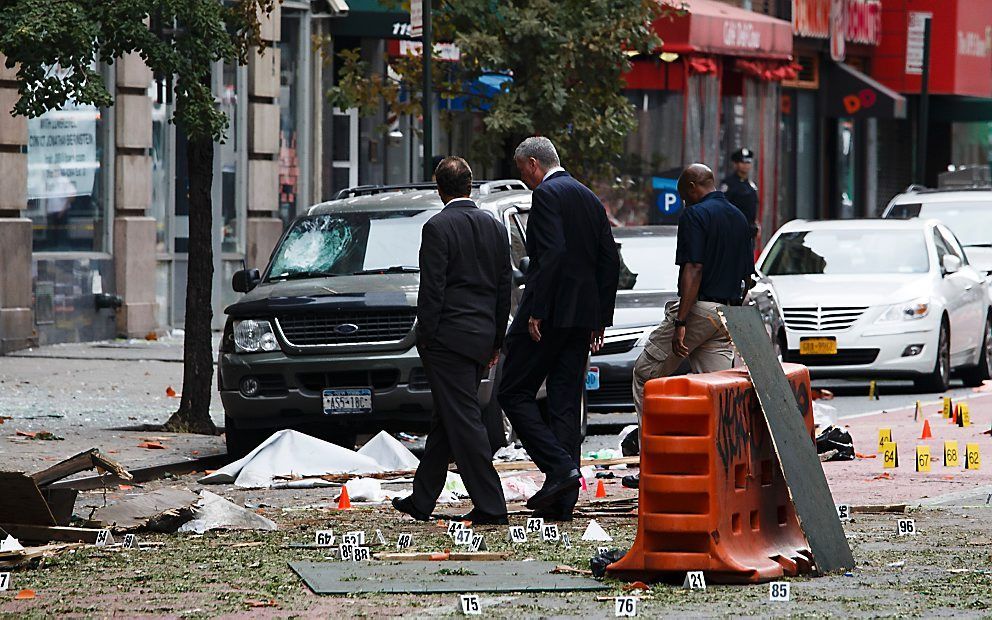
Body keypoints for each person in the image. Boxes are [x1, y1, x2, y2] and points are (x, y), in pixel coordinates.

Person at [497, 137, 620, 521]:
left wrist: (536, 310)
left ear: (534, 164)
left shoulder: (548, 195)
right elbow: (608, 260)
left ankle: (559, 468)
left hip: (550, 316)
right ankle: (563, 499)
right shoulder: (587, 196)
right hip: (582, 318)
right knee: (566, 402)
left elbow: (550, 255)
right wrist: (599, 318)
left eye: (522, 170)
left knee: (513, 391)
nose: (524, 178)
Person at [391, 156, 511, 525]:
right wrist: (496, 340)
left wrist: (424, 336)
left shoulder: (438, 227)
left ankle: (491, 506)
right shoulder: (493, 227)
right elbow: (503, 286)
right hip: (479, 338)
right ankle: (422, 499)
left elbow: (433, 290)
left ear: (438, 187)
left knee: (463, 420)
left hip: (447, 339)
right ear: (470, 185)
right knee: (447, 418)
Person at [623, 163, 753, 489]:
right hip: (727, 313)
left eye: (685, 195)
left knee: (646, 376)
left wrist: (682, 319)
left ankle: (653, 467)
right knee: (719, 393)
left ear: (694, 186)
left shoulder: (695, 215)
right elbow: (747, 275)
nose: (684, 202)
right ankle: (725, 471)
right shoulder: (738, 217)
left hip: (699, 309)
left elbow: (693, 268)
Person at [720, 148, 759, 245]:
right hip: (733, 231)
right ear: (735, 164)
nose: (745, 165)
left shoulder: (751, 185)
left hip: (749, 232)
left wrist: (756, 224)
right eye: (742, 162)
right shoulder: (728, 184)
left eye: (748, 162)